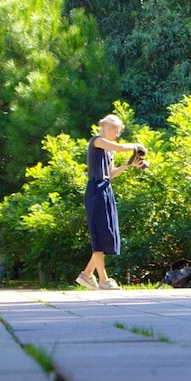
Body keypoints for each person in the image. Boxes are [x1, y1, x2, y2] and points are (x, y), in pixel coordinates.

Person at [76, 114, 145, 290]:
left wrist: (128, 165)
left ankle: (87, 275)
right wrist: (135, 146)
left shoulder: (110, 150)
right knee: (99, 232)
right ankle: (103, 280)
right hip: (95, 190)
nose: (117, 132)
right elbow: (122, 147)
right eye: (115, 129)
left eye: (118, 130)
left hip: (106, 189)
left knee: (106, 232)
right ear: (106, 127)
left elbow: (110, 173)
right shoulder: (97, 141)